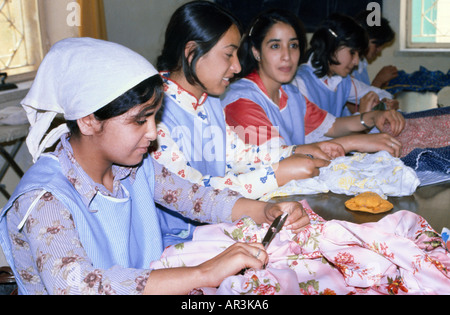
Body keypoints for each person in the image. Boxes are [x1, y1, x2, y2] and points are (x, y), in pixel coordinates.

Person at [0, 38, 310, 295]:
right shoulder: (46, 199)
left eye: (155, 117)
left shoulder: (133, 169)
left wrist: (264, 212)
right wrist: (204, 273)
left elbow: (197, 198)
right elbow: (77, 286)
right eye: (139, 120)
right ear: (88, 120)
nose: (152, 132)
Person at [152, 1, 344, 201]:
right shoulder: (154, 112)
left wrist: (293, 152)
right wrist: (277, 174)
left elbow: (238, 155)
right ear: (192, 52)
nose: (236, 66)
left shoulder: (208, 101)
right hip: (180, 232)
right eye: (228, 55)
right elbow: (192, 193)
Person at [222, 9, 404, 157]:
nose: (287, 56)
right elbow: (278, 158)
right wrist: (354, 142)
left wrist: (374, 117)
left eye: (293, 45)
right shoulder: (242, 100)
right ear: (256, 52)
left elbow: (332, 125)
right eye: (275, 46)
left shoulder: (290, 93)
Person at [292, 13, 398, 117]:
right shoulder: (300, 83)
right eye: (352, 53)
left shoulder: (340, 80)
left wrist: (386, 101)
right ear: (332, 46)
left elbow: (378, 93)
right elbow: (317, 132)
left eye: (358, 54)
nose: (356, 61)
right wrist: (362, 116)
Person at [353, 10, 398, 89]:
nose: (379, 50)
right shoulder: (349, 66)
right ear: (363, 38)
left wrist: (381, 84)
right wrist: (378, 81)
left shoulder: (362, 64)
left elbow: (362, 94)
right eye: (377, 45)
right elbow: (355, 100)